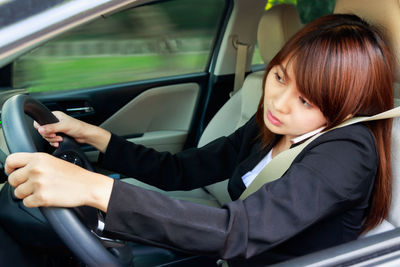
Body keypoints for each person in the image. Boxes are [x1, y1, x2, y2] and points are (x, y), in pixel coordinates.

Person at [4, 14, 394, 266]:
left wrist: (96, 190)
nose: (278, 101)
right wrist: (97, 136)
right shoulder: (277, 124)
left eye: (306, 99)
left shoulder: (348, 151)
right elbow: (182, 169)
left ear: (344, 107)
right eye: (279, 76)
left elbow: (240, 230)